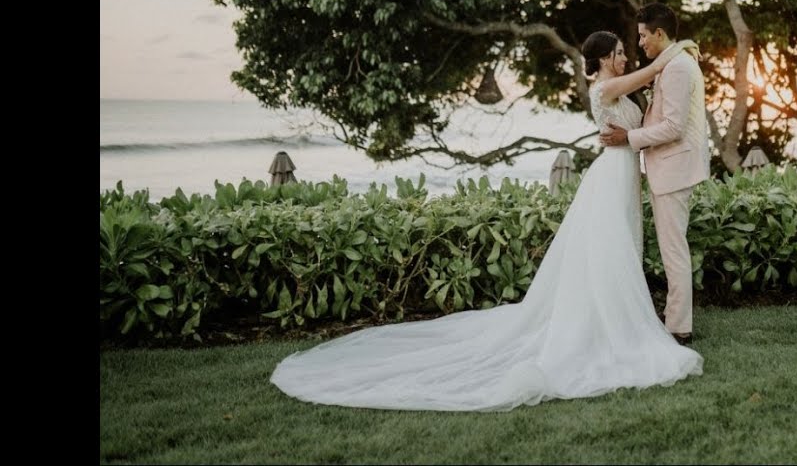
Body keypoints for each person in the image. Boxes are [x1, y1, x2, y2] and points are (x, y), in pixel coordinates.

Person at [270, 31, 702, 411]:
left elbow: (643, 114)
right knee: (610, 251)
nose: (628, 56)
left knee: (616, 251)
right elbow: (645, 78)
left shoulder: (616, 87)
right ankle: (611, 328)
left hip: (623, 175)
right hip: (609, 178)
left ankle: (618, 320)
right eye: (622, 51)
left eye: (631, 49)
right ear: (606, 58)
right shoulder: (604, 88)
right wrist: (676, 51)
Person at [600, 3, 710, 346]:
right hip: (670, 168)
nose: (641, 43)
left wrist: (628, 138)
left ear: (659, 33)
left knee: (673, 249)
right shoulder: (674, 63)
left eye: (644, 36)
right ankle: (676, 321)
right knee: (672, 247)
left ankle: (679, 327)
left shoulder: (677, 67)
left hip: (674, 169)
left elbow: (674, 127)